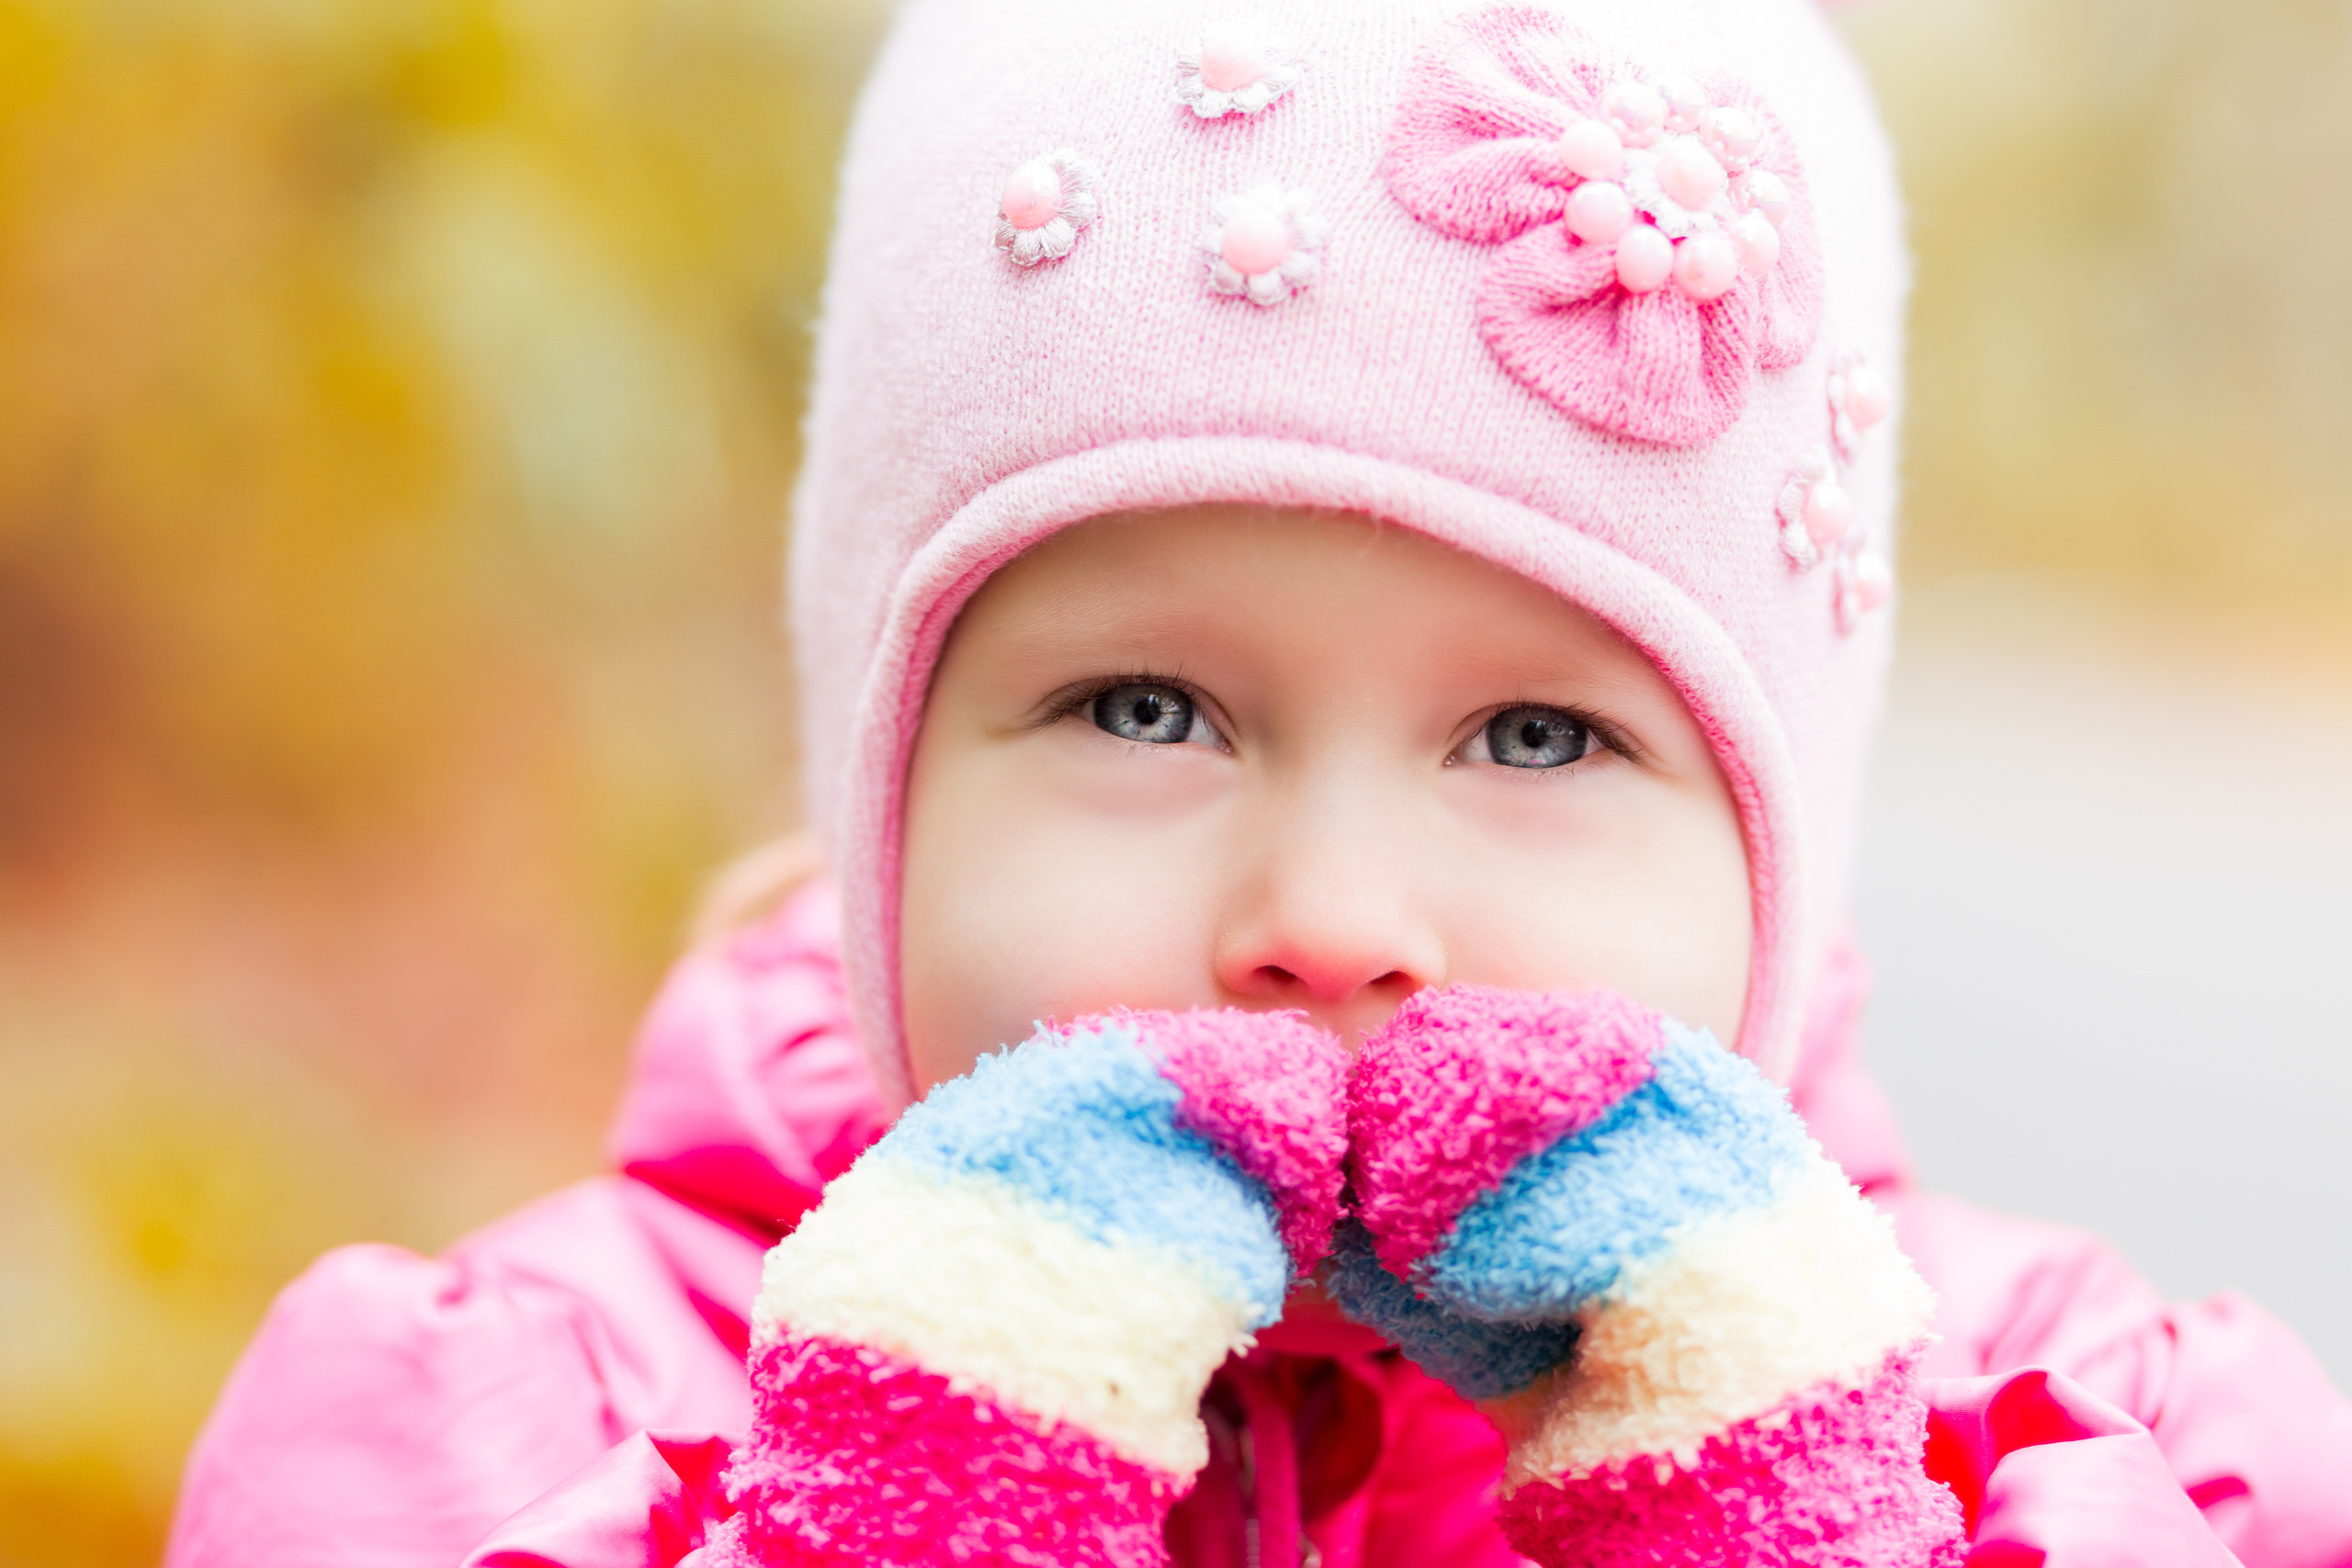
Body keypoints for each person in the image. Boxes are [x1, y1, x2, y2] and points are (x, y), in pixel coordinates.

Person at [164, 0, 2352, 1562]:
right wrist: (916, 1498)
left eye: (1534, 734)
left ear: (1775, 861)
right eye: (1142, 708)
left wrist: (1758, 1495)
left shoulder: (2078, 1450)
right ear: (883, 792)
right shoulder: (544, 1444)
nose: (1326, 912)